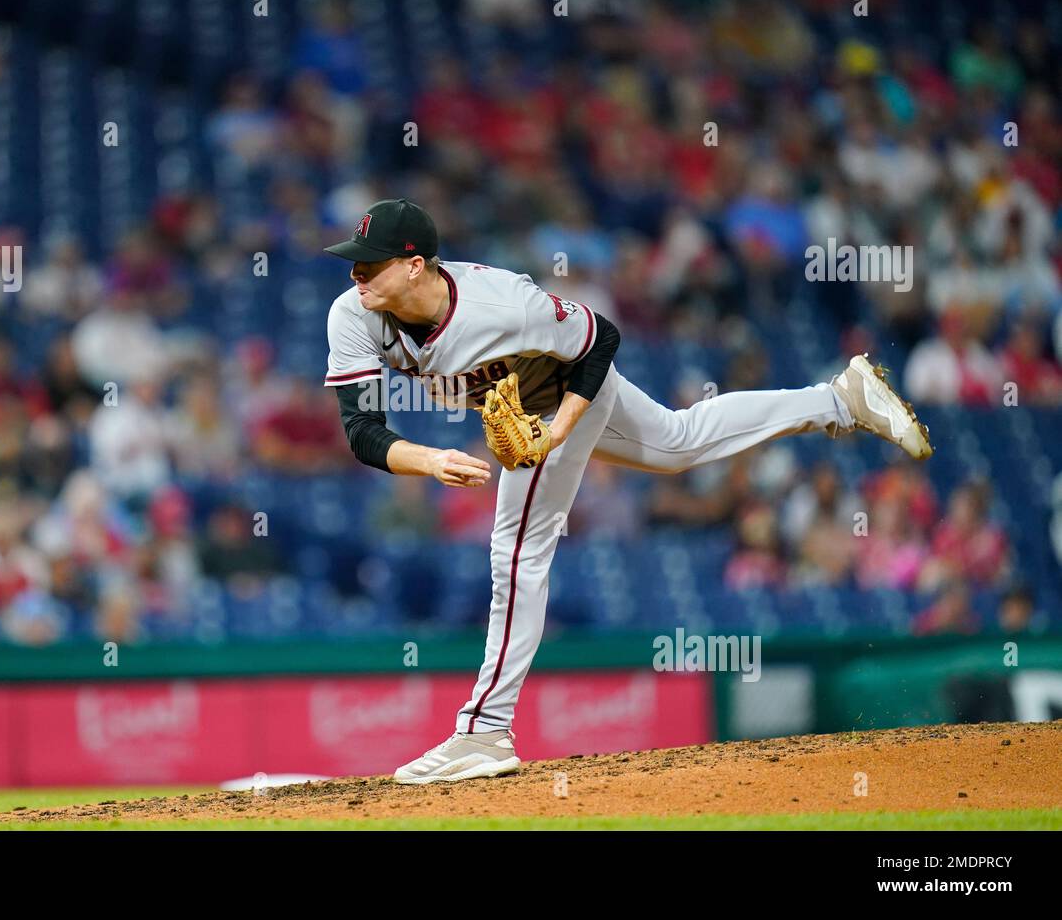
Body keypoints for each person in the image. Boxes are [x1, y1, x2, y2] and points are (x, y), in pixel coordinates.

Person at [322, 199, 933, 785]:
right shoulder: (353, 312)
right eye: (354, 259)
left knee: (518, 549)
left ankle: (486, 730)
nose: (356, 272)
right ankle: (839, 399)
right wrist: (431, 461)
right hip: (536, 401)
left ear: (414, 265)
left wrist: (554, 431)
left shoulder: (502, 304)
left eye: (369, 261)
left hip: (567, 392)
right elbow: (360, 430)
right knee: (678, 441)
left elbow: (601, 339)